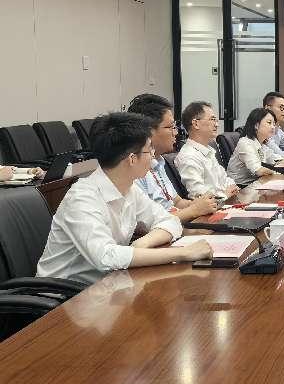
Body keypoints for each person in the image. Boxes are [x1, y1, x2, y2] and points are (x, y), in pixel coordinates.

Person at [36, 113, 213, 284]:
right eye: (149, 150)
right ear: (132, 159)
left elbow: (170, 221)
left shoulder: (130, 188)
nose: (153, 156)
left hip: (107, 284)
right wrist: (183, 253)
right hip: (62, 294)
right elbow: (106, 257)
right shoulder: (82, 198)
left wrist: (141, 244)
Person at [126, 94, 218, 222]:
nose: (176, 132)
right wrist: (194, 210)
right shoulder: (132, 168)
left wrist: (198, 204)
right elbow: (146, 224)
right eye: (171, 127)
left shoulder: (159, 162)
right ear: (148, 131)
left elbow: (177, 201)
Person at [175, 101, 240, 199]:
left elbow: (225, 179)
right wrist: (224, 194)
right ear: (196, 124)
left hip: (226, 201)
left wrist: (232, 188)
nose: (217, 124)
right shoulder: (188, 156)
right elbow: (198, 194)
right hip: (215, 206)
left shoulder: (208, 150)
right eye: (212, 119)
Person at [226, 108, 284, 186]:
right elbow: (259, 171)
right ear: (256, 125)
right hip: (240, 187)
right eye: (269, 123)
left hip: (255, 183)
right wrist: (280, 166)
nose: (273, 127)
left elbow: (274, 159)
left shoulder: (262, 143)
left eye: (274, 124)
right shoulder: (245, 143)